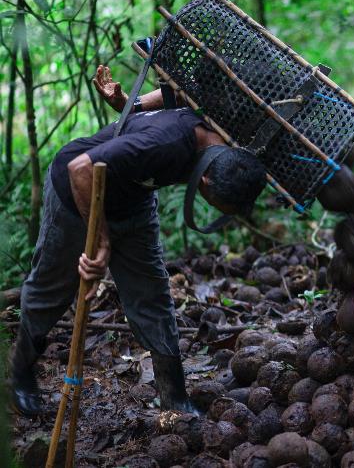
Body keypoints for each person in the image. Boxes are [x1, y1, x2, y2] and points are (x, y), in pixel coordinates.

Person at [8, 66, 267, 416]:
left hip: (135, 199)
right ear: (204, 181)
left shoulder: (226, 135)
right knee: (51, 290)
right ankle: (20, 374)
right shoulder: (163, 146)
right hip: (76, 196)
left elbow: (182, 93)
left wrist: (130, 102)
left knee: (152, 295)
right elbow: (81, 170)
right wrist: (100, 240)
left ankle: (174, 397)